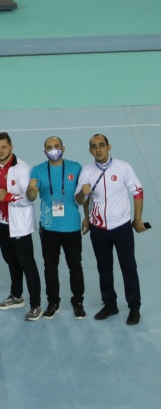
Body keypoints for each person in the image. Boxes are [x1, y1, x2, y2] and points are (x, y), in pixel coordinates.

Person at [74, 134, 147, 325]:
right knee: (104, 268)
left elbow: (138, 191)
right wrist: (83, 198)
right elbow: (80, 200)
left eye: (101, 145)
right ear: (90, 150)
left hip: (121, 227)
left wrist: (138, 218)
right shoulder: (86, 171)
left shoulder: (123, 167)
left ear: (109, 147)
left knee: (128, 267)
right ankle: (110, 304)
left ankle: (134, 307)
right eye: (94, 146)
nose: (98, 149)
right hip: (98, 229)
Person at [27, 136, 88, 319]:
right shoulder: (37, 170)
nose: (53, 149)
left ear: (63, 148)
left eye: (56, 146)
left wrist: (87, 217)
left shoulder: (75, 168)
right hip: (49, 228)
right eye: (49, 147)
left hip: (71, 227)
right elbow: (31, 197)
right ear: (45, 151)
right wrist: (31, 189)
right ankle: (53, 302)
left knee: (75, 267)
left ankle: (78, 302)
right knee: (50, 268)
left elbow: (82, 197)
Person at [0, 132, 42, 321]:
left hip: (19, 227)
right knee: (12, 262)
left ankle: (36, 305)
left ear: (11, 147)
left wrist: (9, 197)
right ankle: (16, 296)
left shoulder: (23, 169)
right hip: (2, 224)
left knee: (28, 265)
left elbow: (30, 198)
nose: (0, 151)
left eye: (4, 147)